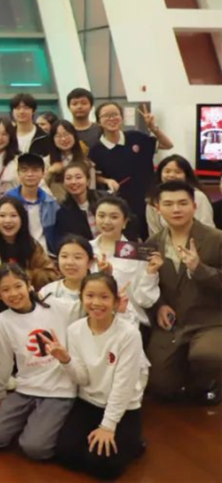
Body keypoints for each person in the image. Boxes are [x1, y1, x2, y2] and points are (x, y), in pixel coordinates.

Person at [50, 273, 149, 480]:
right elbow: (83, 379)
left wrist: (107, 426)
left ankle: (134, 443)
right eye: (90, 296)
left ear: (115, 301)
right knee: (65, 455)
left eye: (104, 297)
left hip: (124, 407)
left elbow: (124, 385)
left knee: (103, 467)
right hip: (89, 402)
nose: (96, 303)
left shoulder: (129, 334)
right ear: (81, 298)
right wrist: (66, 360)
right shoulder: (75, 330)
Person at [0, 264, 78, 462]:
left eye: (18, 286)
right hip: (26, 388)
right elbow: (2, 362)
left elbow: (86, 307)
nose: (13, 293)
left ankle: (51, 425)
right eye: (6, 290)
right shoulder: (2, 321)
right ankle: (34, 423)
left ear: (29, 285)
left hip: (58, 389)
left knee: (35, 448)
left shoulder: (55, 306)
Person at [144, 180, 222, 404]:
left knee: (207, 356)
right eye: (168, 204)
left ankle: (211, 383)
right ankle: (186, 374)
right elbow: (148, 284)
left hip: (210, 320)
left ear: (194, 206)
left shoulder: (216, 239)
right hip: (174, 324)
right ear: (158, 208)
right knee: (159, 385)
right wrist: (160, 305)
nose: (176, 209)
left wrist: (199, 269)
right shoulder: (152, 243)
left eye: (182, 203)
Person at [89, 101, 173, 240]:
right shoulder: (95, 150)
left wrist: (153, 128)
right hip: (122, 204)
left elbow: (168, 145)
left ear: (121, 118)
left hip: (148, 199)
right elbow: (95, 176)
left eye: (115, 114)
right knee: (129, 242)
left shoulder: (136, 137)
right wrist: (107, 180)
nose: (111, 118)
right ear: (98, 122)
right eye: (106, 116)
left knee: (155, 238)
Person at [90, 196, 161, 328]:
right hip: (91, 321)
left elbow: (144, 300)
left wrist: (151, 273)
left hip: (129, 323)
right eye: (101, 216)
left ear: (125, 222)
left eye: (114, 217)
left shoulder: (137, 252)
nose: (106, 221)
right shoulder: (86, 249)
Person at [0, 197, 60, 291]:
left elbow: (51, 274)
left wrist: (23, 276)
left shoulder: (31, 245)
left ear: (22, 219)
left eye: (13, 215)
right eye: (2, 215)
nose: (8, 220)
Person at [145, 154, 215, 236]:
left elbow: (207, 227)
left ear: (186, 175)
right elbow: (154, 233)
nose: (171, 175)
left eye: (178, 172)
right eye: (167, 171)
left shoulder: (198, 196)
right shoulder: (153, 199)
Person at [4, 154, 61, 255]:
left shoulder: (50, 203)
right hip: (15, 255)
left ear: (43, 173)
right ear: (18, 173)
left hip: (45, 255)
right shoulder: (7, 200)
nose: (30, 174)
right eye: (24, 170)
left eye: (35, 170)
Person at [45, 120, 94, 200]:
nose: (63, 139)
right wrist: (50, 172)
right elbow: (38, 189)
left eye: (66, 134)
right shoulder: (46, 162)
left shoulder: (87, 163)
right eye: (58, 136)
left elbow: (92, 191)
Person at [54, 161, 101, 241]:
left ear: (88, 181)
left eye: (78, 177)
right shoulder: (62, 212)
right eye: (68, 178)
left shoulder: (104, 200)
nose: (73, 182)